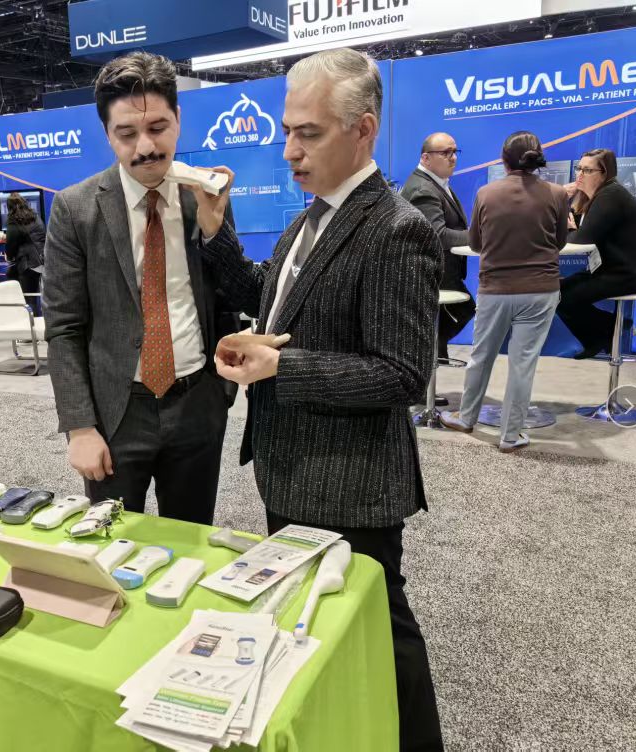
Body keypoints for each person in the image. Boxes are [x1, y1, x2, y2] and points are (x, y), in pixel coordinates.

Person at [197, 49, 443, 750]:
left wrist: (283, 366)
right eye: (287, 131)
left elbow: (402, 375)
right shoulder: (312, 219)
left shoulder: (396, 229)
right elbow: (268, 295)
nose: (290, 150)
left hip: (351, 481)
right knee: (321, 627)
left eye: (309, 133)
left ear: (363, 130)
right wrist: (216, 231)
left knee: (380, 629)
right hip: (294, 469)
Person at [43, 51, 240, 525]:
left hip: (196, 404)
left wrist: (220, 394)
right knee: (110, 542)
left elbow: (226, 296)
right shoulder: (76, 208)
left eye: (158, 127)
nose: (145, 147)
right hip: (116, 412)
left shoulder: (204, 196)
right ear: (108, 134)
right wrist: (79, 426)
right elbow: (64, 327)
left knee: (191, 539)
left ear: (178, 121)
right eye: (127, 133)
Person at [440, 132, 568, 452]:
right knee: (523, 364)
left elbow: (476, 244)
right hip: (540, 290)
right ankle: (510, 436)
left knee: (481, 356)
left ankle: (466, 418)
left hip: (495, 289)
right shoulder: (556, 194)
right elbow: (559, 242)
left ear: (503, 160)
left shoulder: (486, 193)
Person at [558, 148, 636, 358]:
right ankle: (603, 333)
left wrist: (570, 230)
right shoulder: (593, 197)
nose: (580, 174)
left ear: (604, 173)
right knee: (557, 292)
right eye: (579, 168)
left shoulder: (610, 196)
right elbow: (577, 233)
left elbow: (582, 239)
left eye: (587, 170)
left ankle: (605, 331)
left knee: (564, 297)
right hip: (610, 269)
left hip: (628, 274)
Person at [400, 133, 476, 374]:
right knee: (459, 312)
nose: (453, 158)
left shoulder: (436, 183)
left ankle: (432, 357)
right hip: (430, 275)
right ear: (426, 157)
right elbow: (438, 235)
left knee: (455, 315)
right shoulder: (424, 189)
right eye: (445, 153)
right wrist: (478, 236)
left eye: (455, 152)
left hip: (440, 273)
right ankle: (427, 359)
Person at [4, 193, 45, 314]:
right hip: (43, 259)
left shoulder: (14, 220)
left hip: (28, 263)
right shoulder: (35, 216)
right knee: (37, 295)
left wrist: (9, 256)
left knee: (29, 297)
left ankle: (31, 323)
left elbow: (11, 243)